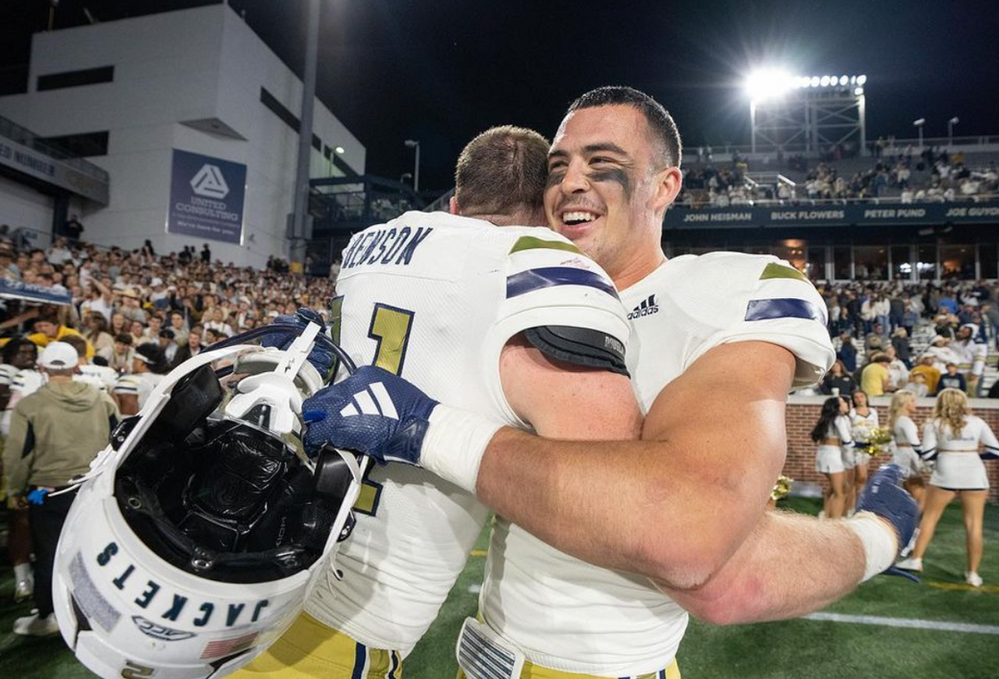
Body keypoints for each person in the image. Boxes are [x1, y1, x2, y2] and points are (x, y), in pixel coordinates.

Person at [303, 88, 917, 677]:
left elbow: (709, 566)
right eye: (559, 166)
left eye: (603, 165)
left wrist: (877, 533)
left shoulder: (730, 291)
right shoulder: (517, 291)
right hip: (481, 657)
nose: (571, 182)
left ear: (665, 185)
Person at [231, 125, 639, 679]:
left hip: (263, 563)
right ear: (545, 210)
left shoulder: (366, 245)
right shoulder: (542, 264)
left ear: (454, 202)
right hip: (353, 620)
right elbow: (611, 492)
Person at [2, 342, 118, 636]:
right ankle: (94, 613)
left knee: (49, 553)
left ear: (42, 367)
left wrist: (16, 491)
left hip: (47, 491)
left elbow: (17, 456)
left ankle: (51, 615)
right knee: (94, 552)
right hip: (94, 489)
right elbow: (119, 442)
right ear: (75, 367)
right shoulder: (103, 399)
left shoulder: (29, 405)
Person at [896, 389, 999, 586]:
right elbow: (995, 451)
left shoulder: (934, 423)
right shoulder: (977, 422)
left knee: (930, 517)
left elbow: (926, 454)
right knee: (974, 526)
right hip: (974, 472)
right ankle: (973, 574)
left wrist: (946, 454)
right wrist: (974, 455)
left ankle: (916, 559)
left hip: (946, 469)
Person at [0, 339, 39, 603]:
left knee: (24, 513)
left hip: (29, 455)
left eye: (31, 352)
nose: (27, 356)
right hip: (8, 454)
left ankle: (24, 572)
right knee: (18, 515)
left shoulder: (33, 376)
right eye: (22, 352)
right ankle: (22, 573)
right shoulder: (5, 371)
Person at [812, 396, 853, 519]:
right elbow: (847, 440)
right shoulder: (839, 419)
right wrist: (860, 445)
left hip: (824, 455)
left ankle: (826, 515)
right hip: (833, 457)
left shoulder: (828, 419)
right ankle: (835, 521)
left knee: (835, 488)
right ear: (836, 407)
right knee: (840, 492)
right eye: (842, 403)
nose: (845, 404)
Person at [888, 389, 927, 511]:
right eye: (913, 401)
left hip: (900, 456)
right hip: (908, 458)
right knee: (920, 496)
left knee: (905, 494)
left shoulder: (897, 419)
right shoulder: (905, 421)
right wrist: (926, 456)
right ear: (904, 403)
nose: (916, 404)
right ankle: (913, 527)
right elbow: (915, 443)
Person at [113, 343, 168, 415]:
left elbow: (125, 416)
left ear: (142, 363)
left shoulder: (130, 381)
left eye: (135, 360)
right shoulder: (166, 380)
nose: (133, 362)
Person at [849, 390, 879, 513]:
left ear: (866, 398)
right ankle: (854, 506)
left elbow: (876, 427)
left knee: (863, 478)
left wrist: (877, 443)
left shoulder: (873, 412)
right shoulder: (852, 413)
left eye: (861, 396)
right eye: (856, 397)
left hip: (869, 447)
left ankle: (860, 504)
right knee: (861, 476)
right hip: (857, 447)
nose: (859, 399)